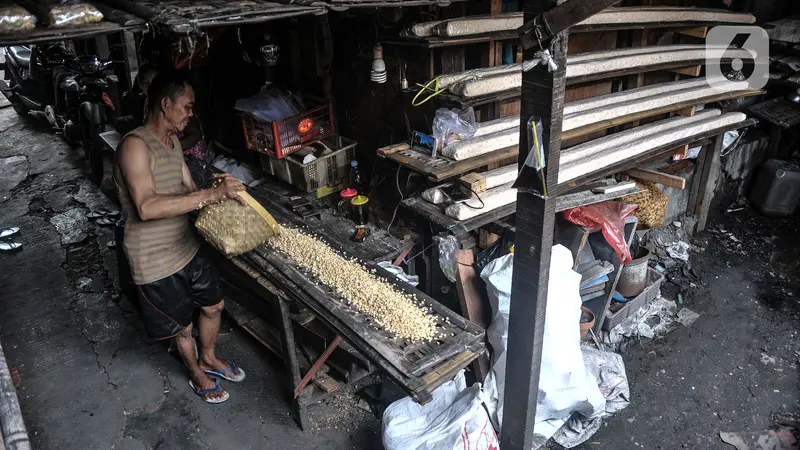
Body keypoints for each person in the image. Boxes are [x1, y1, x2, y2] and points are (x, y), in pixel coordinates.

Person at [113, 72, 246, 404]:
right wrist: (211, 196)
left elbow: (188, 191)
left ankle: (209, 357)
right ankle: (195, 371)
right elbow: (146, 206)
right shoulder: (135, 146)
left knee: (214, 305)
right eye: (187, 107)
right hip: (154, 258)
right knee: (182, 328)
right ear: (165, 104)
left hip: (185, 246)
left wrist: (218, 190)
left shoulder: (172, 142)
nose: (190, 114)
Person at [114, 64, 158, 135]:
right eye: (146, 83)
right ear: (140, 85)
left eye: (154, 82)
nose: (150, 86)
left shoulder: (166, 100)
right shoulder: (141, 101)